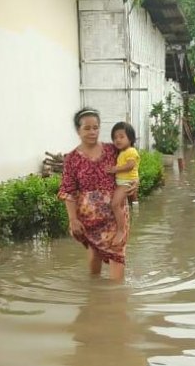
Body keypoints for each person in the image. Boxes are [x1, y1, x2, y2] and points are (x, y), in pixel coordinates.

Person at [58, 108, 136, 280]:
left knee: (118, 253)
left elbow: (132, 167)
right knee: (94, 254)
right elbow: (68, 191)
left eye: (96, 127)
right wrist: (72, 219)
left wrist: (136, 182)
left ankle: (117, 301)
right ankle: (94, 297)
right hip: (89, 219)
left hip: (116, 215)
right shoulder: (71, 159)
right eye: (87, 128)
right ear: (78, 130)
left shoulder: (113, 150)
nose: (92, 132)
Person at [106, 121, 140, 246]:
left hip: (126, 183)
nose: (117, 140)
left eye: (121, 136)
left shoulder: (131, 151)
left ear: (130, 138)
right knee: (117, 205)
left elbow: (131, 166)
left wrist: (115, 169)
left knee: (115, 205)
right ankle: (121, 227)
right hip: (122, 182)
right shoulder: (122, 152)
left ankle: (121, 230)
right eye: (115, 137)